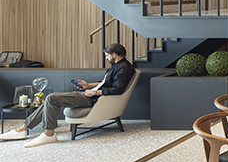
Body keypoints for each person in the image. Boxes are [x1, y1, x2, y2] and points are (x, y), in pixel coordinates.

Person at [0, 43, 134, 148]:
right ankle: (23, 128)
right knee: (49, 99)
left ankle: (48, 133)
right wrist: (88, 85)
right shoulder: (118, 66)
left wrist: (94, 92)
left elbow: (117, 89)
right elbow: (106, 83)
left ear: (114, 54)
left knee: (52, 98)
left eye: (107, 55)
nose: (106, 58)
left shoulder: (123, 68)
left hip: (96, 99)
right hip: (93, 94)